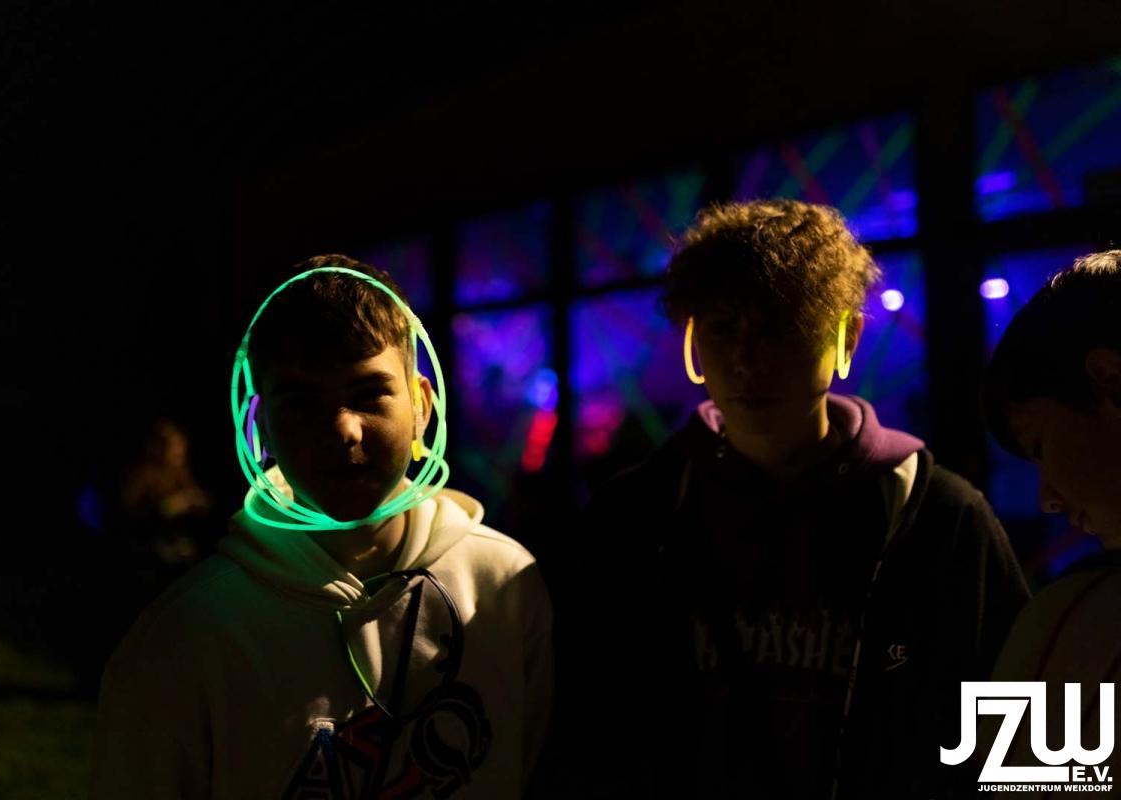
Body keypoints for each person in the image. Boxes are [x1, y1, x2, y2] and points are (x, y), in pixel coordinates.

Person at [569, 200, 1029, 799]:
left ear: (847, 336)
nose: (748, 357)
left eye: (781, 326)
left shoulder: (940, 517)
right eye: (722, 327)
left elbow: (1027, 740)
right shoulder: (636, 513)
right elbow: (586, 729)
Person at [89, 255, 553, 799]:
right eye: (302, 402)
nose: (343, 429)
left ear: (422, 406)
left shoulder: (504, 584)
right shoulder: (187, 637)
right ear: (261, 425)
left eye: (369, 393)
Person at [979, 249, 1121, 778]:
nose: (1048, 499)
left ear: (1110, 380)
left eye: (1038, 446)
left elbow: (1020, 785)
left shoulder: (1072, 620)